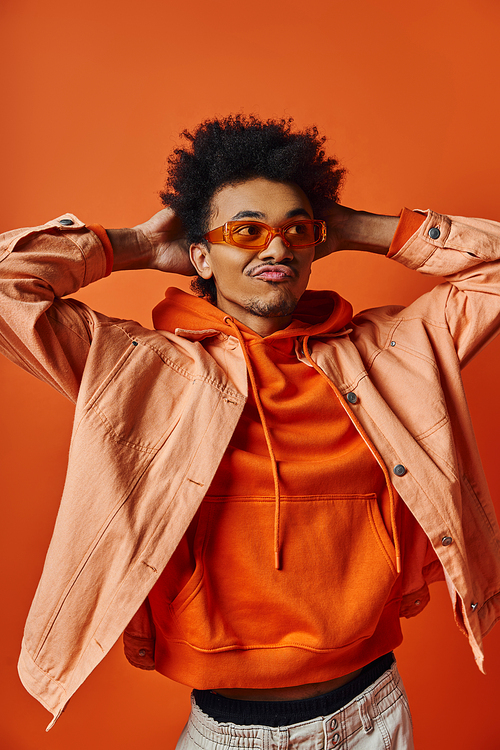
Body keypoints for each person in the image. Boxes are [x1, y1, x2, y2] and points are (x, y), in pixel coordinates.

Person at [1, 114, 500, 750]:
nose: (276, 247)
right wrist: (129, 244)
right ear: (199, 256)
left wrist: (355, 228)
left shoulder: (391, 356)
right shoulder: (138, 368)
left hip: (372, 714)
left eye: (296, 229)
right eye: (247, 230)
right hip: (227, 729)